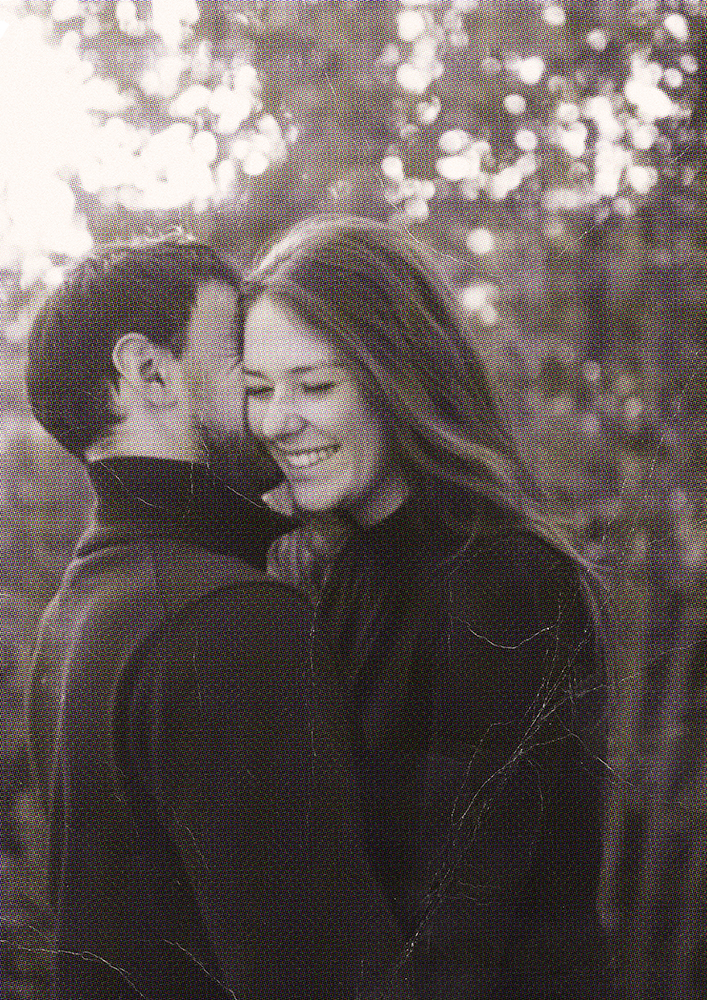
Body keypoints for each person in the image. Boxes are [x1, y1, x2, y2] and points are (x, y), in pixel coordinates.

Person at [237, 216, 614, 998]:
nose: (277, 420)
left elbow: (461, 934)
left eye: (315, 385)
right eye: (258, 389)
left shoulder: (505, 583)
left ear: (398, 377)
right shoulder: (346, 574)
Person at [24, 235, 409, 1000]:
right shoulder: (232, 622)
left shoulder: (77, 614)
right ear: (149, 371)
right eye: (240, 351)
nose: (268, 393)